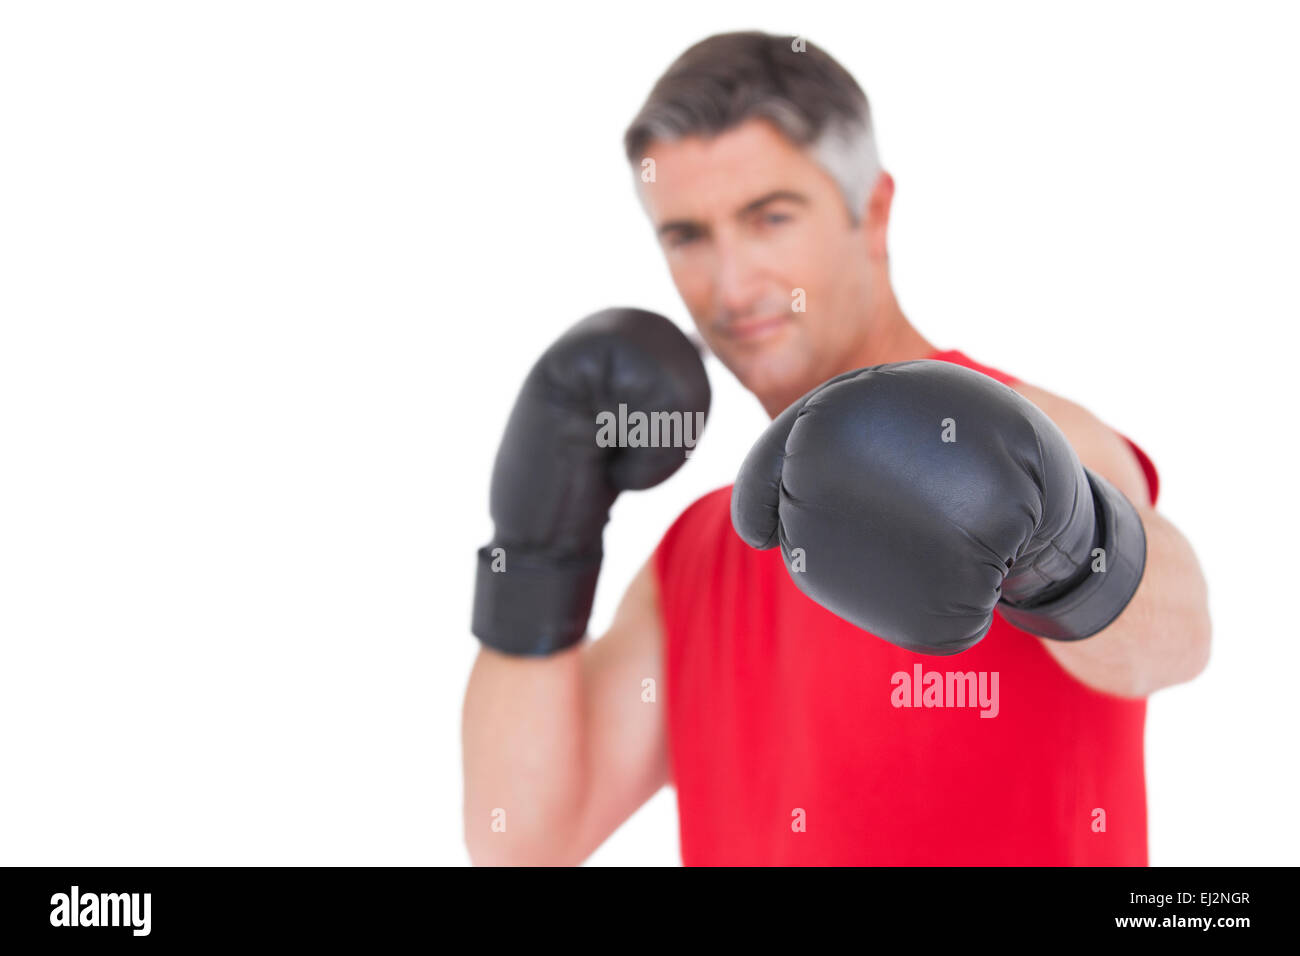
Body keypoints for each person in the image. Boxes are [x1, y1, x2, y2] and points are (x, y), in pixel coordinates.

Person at [462, 31, 1211, 866]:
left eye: (770, 217)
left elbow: (1178, 643)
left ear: (875, 212)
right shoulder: (703, 550)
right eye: (687, 235)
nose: (734, 285)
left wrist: (1064, 552)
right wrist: (538, 537)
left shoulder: (1023, 436)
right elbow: (525, 838)